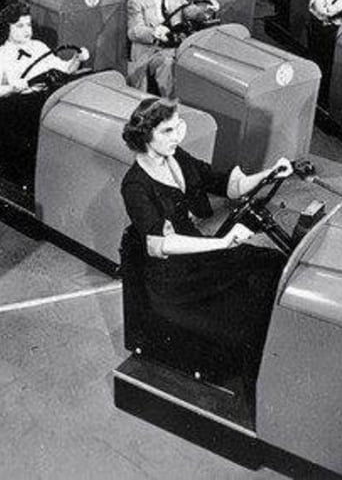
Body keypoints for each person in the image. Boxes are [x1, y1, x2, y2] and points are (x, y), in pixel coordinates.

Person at [120, 97, 291, 379]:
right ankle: (255, 369)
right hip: (173, 279)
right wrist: (223, 244)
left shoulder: (176, 158)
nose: (177, 137)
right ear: (145, 136)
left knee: (271, 262)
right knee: (255, 282)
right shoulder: (135, 185)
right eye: (168, 131)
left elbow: (229, 185)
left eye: (178, 128)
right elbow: (161, 244)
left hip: (197, 258)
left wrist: (269, 174)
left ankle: (265, 352)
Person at [126, 0, 219, 97]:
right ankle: (170, 102)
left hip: (176, 43)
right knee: (168, 62)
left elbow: (188, 12)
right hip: (152, 50)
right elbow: (134, 31)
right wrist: (153, 32)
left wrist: (206, 9)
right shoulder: (137, 2)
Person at [0, 3, 88, 101]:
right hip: (23, 104)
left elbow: (65, 70)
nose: (26, 30)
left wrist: (77, 59)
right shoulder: (0, 56)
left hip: (49, 97)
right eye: (20, 26)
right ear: (7, 29)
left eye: (28, 25)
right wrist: (13, 88)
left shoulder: (38, 46)